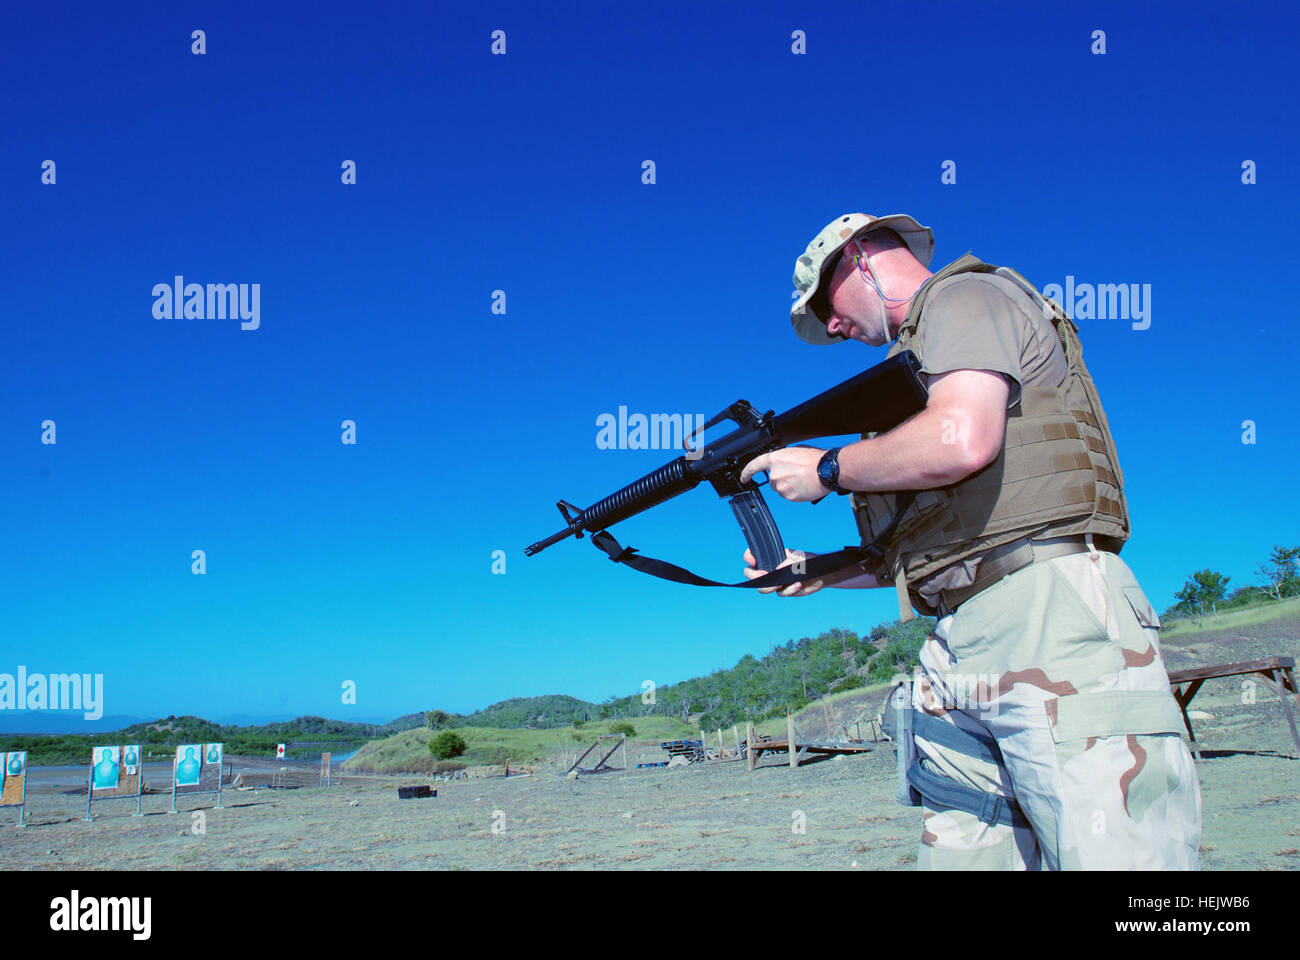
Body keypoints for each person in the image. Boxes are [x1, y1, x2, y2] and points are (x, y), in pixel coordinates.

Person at [738, 213, 1201, 870]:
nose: (832, 328)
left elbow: (962, 439)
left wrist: (827, 469)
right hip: (961, 636)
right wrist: (814, 571)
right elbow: (925, 543)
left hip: (1048, 610)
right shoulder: (909, 384)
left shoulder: (964, 296)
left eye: (824, 305)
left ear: (864, 256)